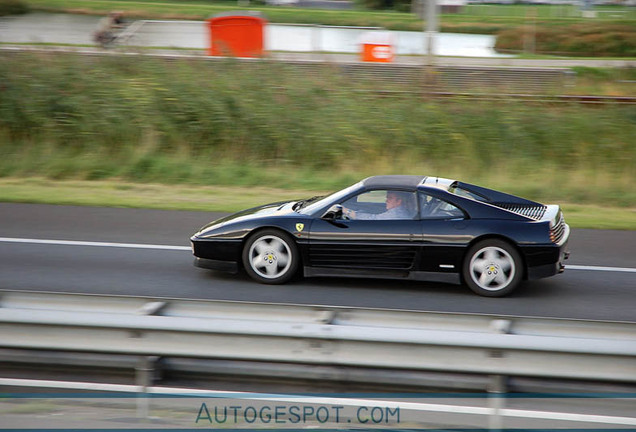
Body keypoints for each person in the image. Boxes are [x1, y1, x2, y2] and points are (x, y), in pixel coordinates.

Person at [343, 191, 414, 220]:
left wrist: (347, 211)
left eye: (390, 198)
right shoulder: (403, 211)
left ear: (399, 201)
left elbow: (372, 219)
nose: (386, 200)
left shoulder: (396, 214)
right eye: (387, 197)